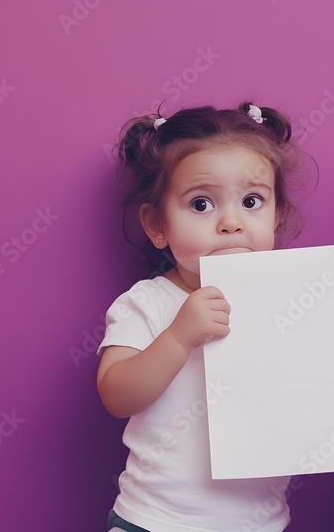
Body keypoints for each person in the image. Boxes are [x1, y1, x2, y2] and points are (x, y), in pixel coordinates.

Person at [97, 102, 307, 532]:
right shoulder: (150, 302)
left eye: (251, 201)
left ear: (277, 214)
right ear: (158, 224)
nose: (231, 222)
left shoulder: (292, 303)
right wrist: (178, 338)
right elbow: (116, 396)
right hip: (155, 522)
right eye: (201, 204)